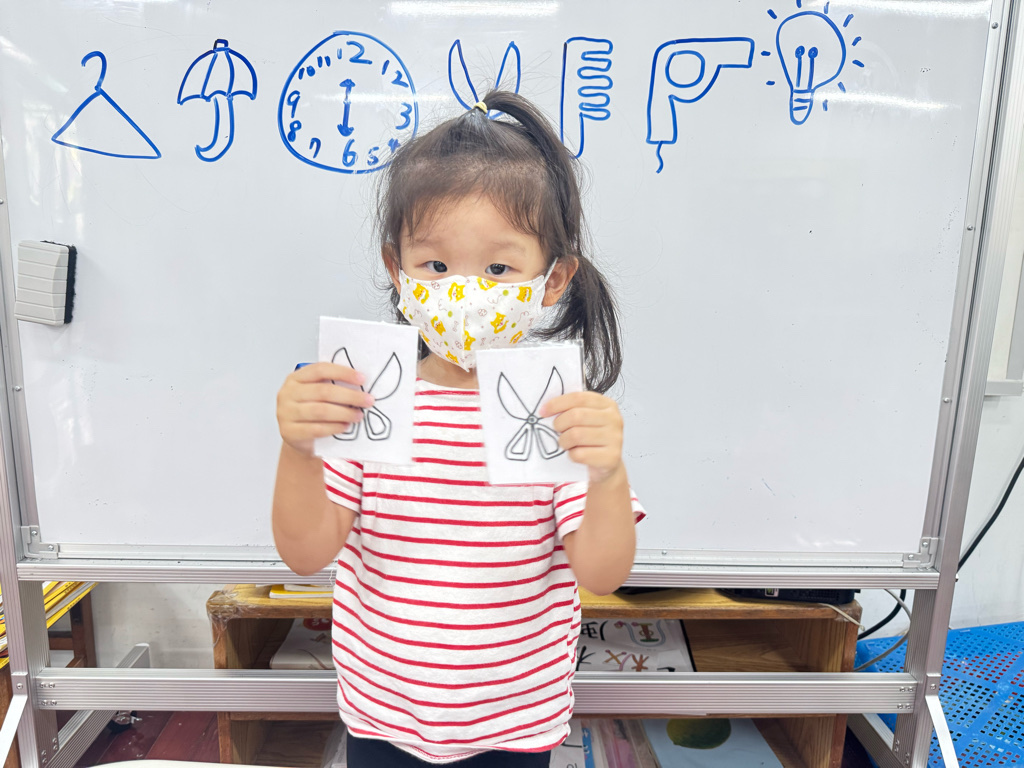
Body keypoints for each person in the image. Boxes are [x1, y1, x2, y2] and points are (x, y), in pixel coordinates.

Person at [272, 90, 645, 766]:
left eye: (499, 268)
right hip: (382, 716)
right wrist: (298, 450)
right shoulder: (369, 399)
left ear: (552, 279)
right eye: (436, 266)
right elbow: (305, 552)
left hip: (516, 722)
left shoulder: (555, 410)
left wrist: (608, 473)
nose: (465, 291)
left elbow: (603, 571)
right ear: (398, 269)